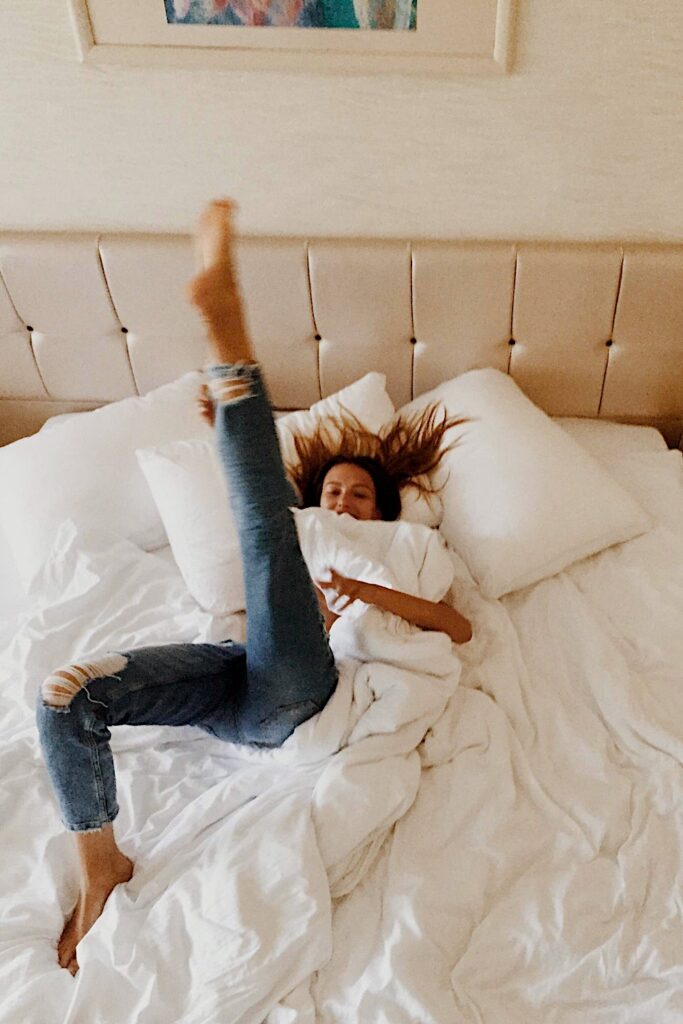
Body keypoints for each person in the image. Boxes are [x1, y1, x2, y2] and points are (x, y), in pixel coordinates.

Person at [36, 200, 472, 976]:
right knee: (66, 695)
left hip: (307, 693)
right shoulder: (299, 524)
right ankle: (102, 863)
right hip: (234, 673)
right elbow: (258, 535)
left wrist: (362, 596)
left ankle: (230, 338)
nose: (341, 502)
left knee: (267, 541)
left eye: (357, 496)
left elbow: (455, 628)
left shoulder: (409, 545)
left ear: (384, 508)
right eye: (331, 492)